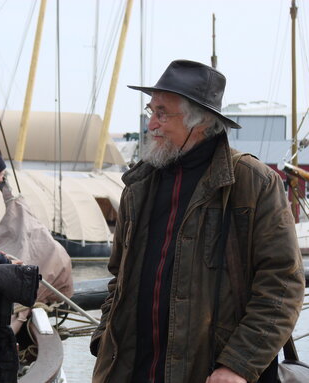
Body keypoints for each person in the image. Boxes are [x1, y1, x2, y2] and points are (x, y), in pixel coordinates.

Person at [90, 59, 305, 383]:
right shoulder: (139, 186)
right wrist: (104, 338)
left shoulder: (251, 183)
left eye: (162, 113)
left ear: (201, 121)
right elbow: (118, 278)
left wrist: (237, 365)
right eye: (152, 111)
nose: (152, 125)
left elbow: (282, 285)